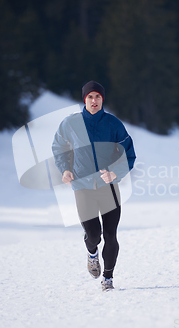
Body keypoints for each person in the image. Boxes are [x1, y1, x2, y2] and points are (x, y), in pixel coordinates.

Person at [52, 81, 136, 291]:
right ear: (84, 99)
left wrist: (115, 172)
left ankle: (108, 278)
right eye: (90, 97)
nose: (94, 100)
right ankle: (91, 253)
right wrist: (65, 168)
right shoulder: (70, 123)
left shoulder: (113, 124)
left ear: (102, 99)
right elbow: (58, 146)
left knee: (110, 235)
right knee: (93, 235)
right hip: (82, 186)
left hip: (109, 186)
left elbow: (129, 153)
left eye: (98, 96)